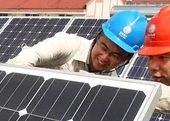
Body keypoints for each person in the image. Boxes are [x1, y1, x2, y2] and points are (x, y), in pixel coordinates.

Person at [8, 10, 148, 76]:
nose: (105, 57)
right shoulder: (68, 44)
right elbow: (23, 60)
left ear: (125, 60)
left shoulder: (110, 80)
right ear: (97, 37)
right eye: (104, 47)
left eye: (115, 56)